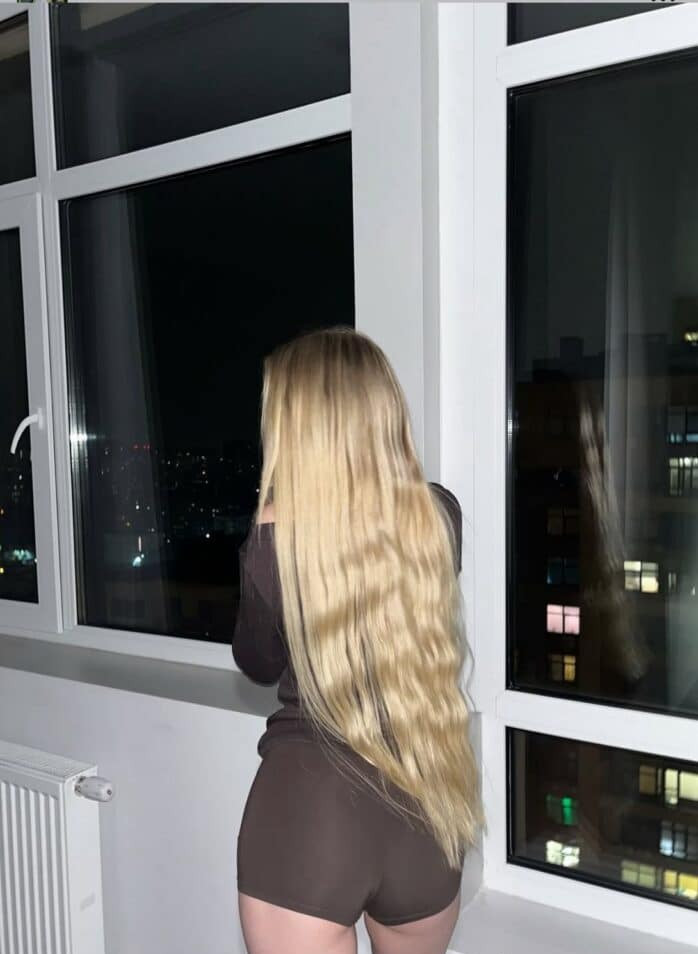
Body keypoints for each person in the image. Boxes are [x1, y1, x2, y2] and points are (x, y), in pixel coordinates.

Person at [233, 326, 484, 954]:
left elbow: (257, 662)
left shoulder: (273, 538)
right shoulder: (439, 516)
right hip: (426, 805)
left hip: (311, 812)